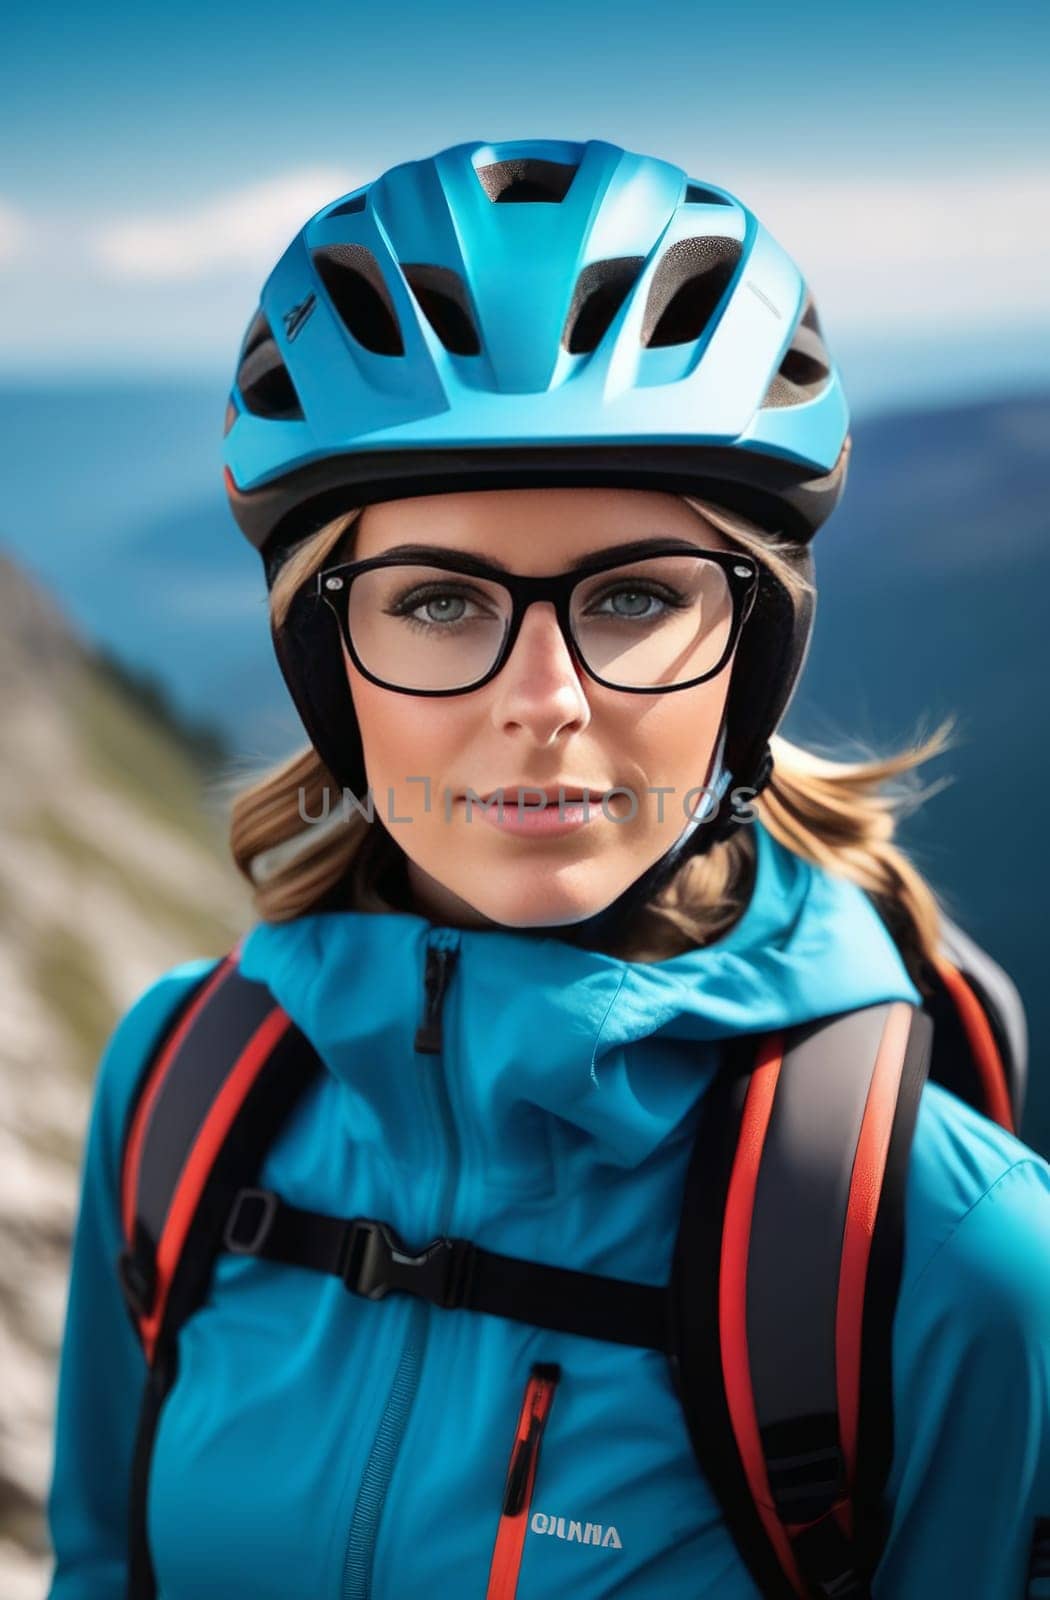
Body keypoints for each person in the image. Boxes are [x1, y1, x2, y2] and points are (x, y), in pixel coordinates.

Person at [45, 138, 1050, 1600]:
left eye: (635, 596)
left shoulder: (954, 1257)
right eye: (441, 601)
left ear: (753, 655)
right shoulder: (185, 1090)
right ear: (325, 663)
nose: (545, 698)